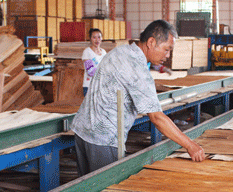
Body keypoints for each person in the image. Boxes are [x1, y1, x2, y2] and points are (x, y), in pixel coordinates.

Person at [71, 19, 205, 176]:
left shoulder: (121, 51)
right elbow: (156, 117)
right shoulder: (137, 67)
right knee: (106, 188)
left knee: (86, 187)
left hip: (82, 132)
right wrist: (190, 145)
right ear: (151, 42)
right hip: (103, 140)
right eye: (167, 49)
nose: (168, 56)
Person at [82, 28, 107, 96]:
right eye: (94, 37)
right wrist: (105, 71)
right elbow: (91, 71)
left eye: (99, 37)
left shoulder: (104, 52)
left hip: (101, 86)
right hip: (89, 86)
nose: (97, 40)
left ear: (102, 38)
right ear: (90, 39)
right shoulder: (87, 52)